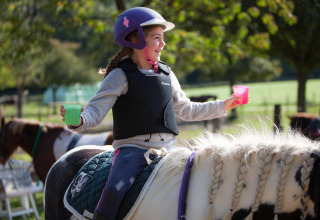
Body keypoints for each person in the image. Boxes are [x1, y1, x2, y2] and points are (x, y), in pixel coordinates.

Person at [60, 7, 243, 220]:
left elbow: (187, 109)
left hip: (170, 150)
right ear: (136, 40)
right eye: (157, 38)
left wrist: (224, 105)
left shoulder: (167, 73)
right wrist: (78, 119)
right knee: (113, 192)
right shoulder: (120, 76)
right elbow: (94, 112)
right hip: (132, 153)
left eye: (163, 38)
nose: (163, 44)